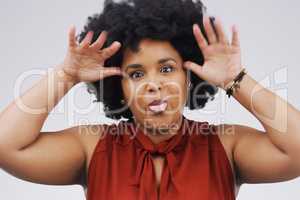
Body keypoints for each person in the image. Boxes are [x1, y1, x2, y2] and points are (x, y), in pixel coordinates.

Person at [0, 0, 300, 199]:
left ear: (189, 76)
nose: (153, 85)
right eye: (136, 74)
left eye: (167, 69)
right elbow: (6, 145)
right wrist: (66, 74)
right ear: (121, 87)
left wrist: (235, 80)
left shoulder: (225, 145)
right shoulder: (93, 147)